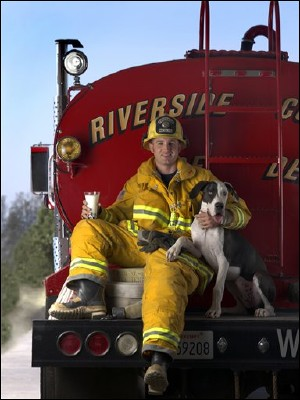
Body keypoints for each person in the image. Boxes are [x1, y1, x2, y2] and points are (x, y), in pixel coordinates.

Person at [49, 115, 251, 394]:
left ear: (180, 147)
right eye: (160, 143)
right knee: (88, 228)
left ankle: (158, 361)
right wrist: (97, 213)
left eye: (171, 143)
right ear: (150, 147)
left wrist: (222, 217)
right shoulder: (139, 182)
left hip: (182, 255)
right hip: (140, 245)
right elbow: (116, 213)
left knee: (163, 269)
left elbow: (243, 213)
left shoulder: (203, 180)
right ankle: (88, 297)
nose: (166, 149)